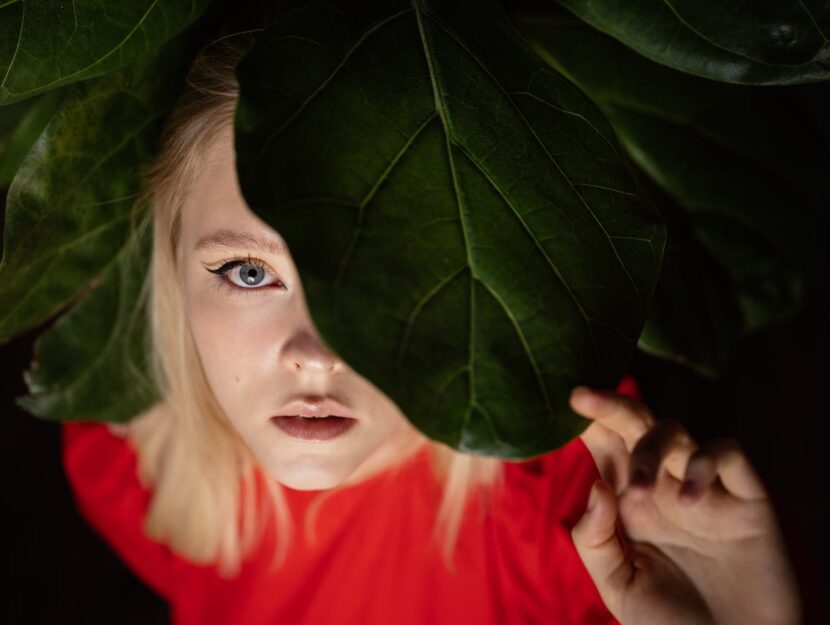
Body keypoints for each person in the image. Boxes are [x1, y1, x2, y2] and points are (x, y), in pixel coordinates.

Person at [61, 35, 803, 625]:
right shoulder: (131, 466)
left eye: (386, 267)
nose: (315, 357)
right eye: (250, 273)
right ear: (171, 271)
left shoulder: (580, 501)